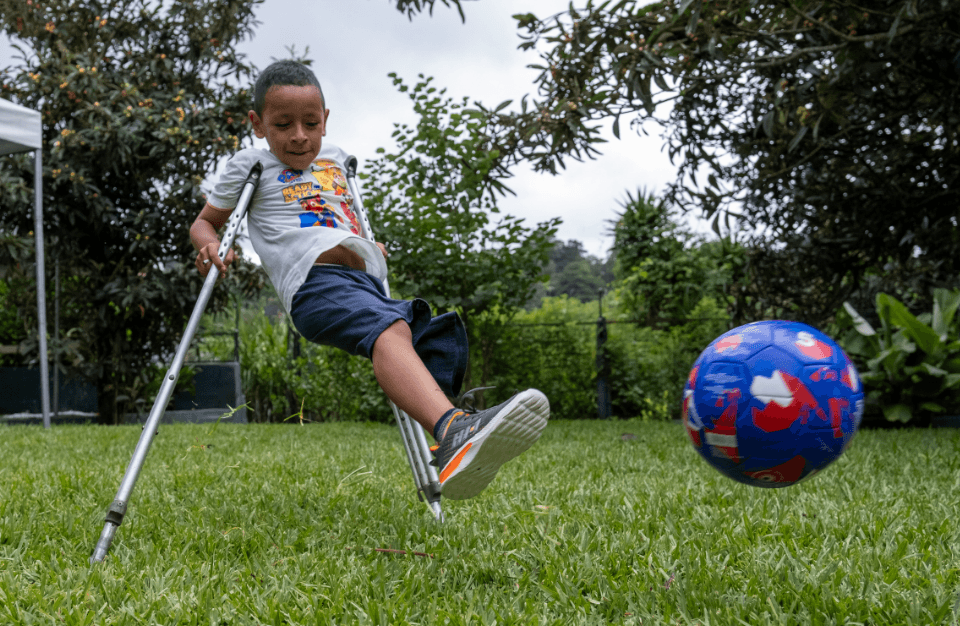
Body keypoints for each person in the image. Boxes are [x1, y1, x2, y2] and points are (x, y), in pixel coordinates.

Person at [190, 60, 549, 500]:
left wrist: (361, 246)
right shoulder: (251, 164)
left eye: (311, 122)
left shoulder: (336, 159)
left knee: (431, 337)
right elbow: (205, 222)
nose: (299, 135)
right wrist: (209, 245)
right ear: (258, 124)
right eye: (282, 124)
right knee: (391, 331)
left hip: (361, 283)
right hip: (312, 284)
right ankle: (454, 427)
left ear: (326, 119)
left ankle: (452, 447)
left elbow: (342, 214)